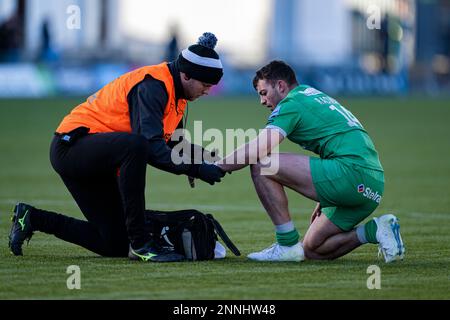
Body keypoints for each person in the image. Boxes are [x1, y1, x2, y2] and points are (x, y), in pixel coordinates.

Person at [8, 32, 226, 262]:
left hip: (100, 156)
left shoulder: (177, 93)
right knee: (135, 146)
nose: (208, 91)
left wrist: (205, 157)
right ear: (186, 75)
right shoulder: (153, 85)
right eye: (205, 84)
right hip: (72, 147)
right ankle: (142, 245)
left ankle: (31, 218)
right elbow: (151, 147)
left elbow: (173, 142)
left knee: (114, 243)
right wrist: (196, 169)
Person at [217, 60, 405, 263]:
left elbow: (259, 149)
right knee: (313, 249)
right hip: (372, 186)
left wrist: (216, 167)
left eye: (263, 93)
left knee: (263, 164)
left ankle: (286, 245)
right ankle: (374, 230)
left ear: (280, 86)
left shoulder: (292, 103)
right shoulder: (311, 94)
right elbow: (338, 141)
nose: (262, 101)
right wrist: (324, 198)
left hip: (350, 174)